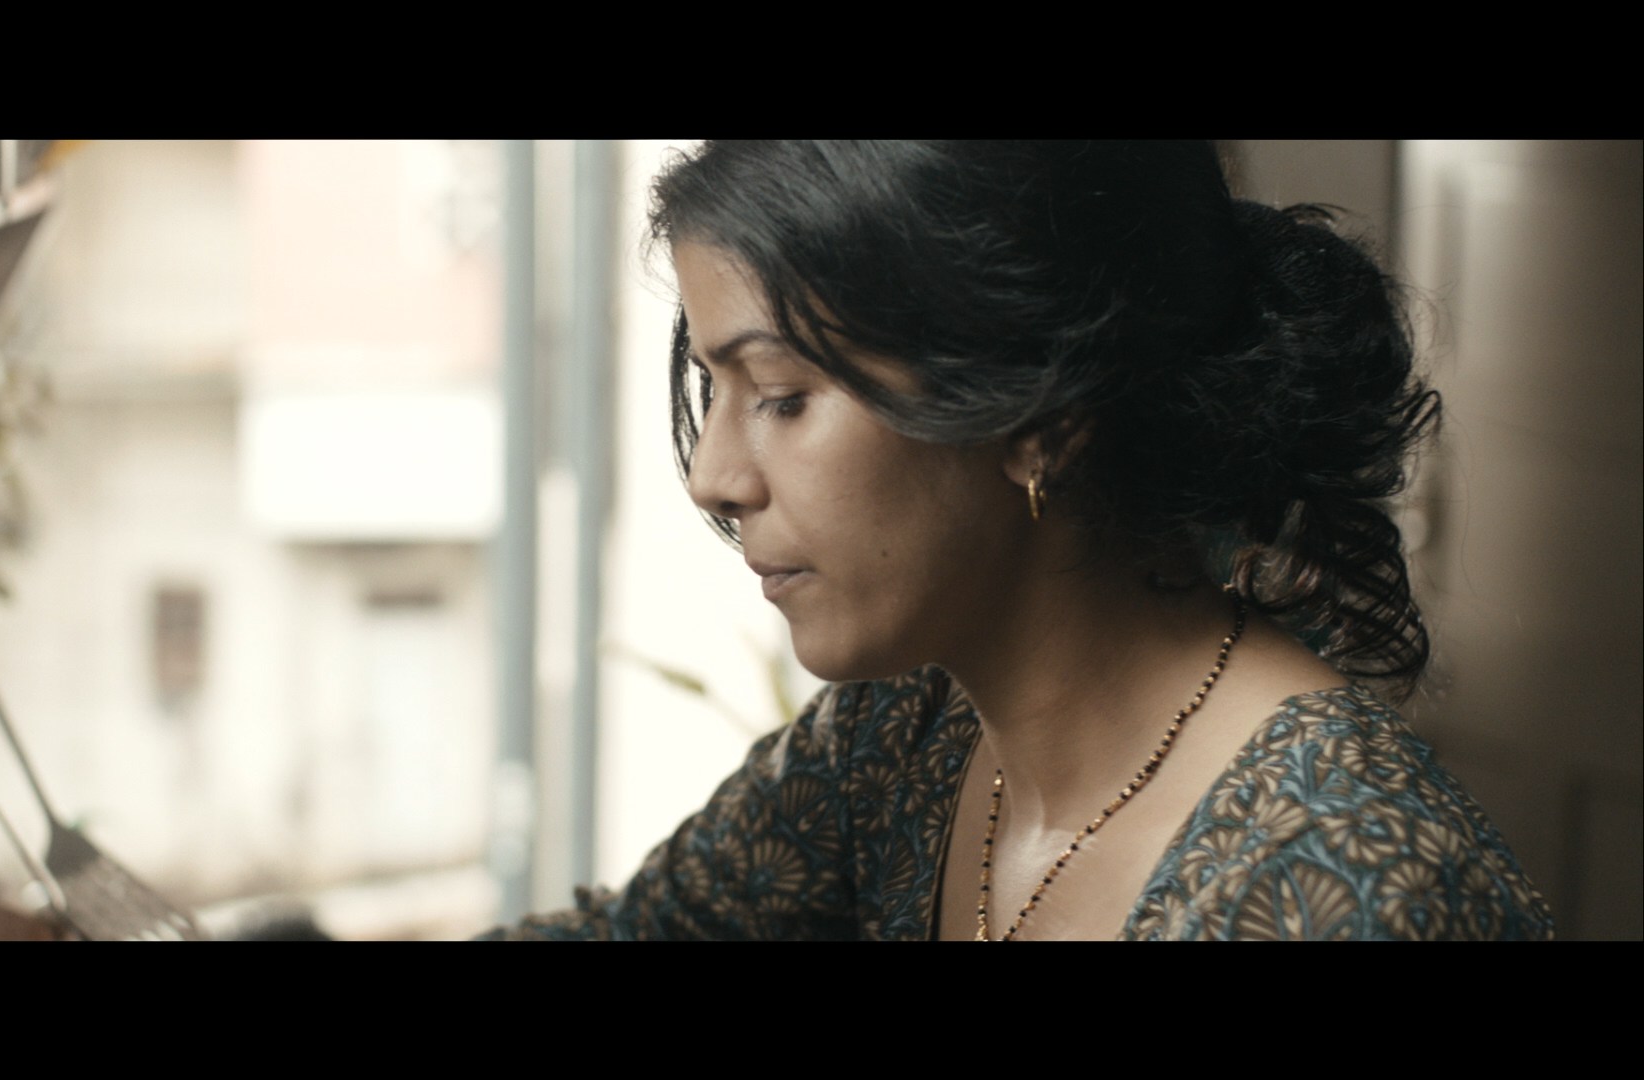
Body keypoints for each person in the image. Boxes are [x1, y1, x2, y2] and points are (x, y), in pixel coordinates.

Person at [481, 141, 1553, 941]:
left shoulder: (1346, 886)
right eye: (714, 388)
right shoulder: (905, 737)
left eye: (781, 394)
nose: (714, 478)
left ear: (1041, 416)